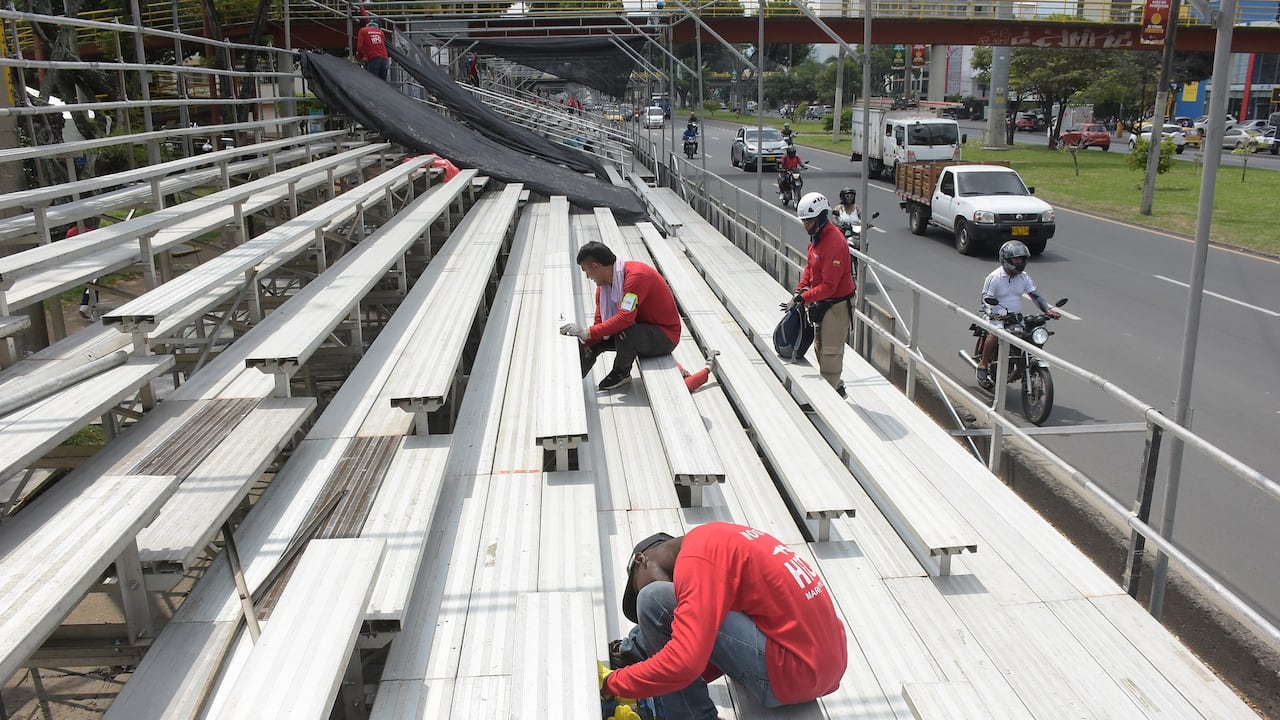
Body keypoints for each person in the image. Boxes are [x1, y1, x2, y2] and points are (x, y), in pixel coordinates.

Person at [600, 523, 848, 719]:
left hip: (791, 672)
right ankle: (637, 655)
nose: (640, 592)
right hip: (822, 668)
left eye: (636, 587)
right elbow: (713, 651)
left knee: (653, 600)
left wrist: (614, 684)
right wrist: (651, 681)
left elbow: (687, 664)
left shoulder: (696, 561)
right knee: (687, 614)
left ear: (642, 560)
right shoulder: (719, 540)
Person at [560, 241, 682, 392]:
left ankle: (622, 372)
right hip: (638, 329)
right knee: (592, 342)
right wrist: (582, 339)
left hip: (664, 336)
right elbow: (599, 325)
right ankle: (571, 379)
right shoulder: (603, 289)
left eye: (586, 271)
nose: (587, 277)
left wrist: (586, 332)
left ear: (596, 266)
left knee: (625, 333)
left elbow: (625, 318)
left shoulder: (637, 277)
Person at [789, 192, 855, 397]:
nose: (805, 225)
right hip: (821, 301)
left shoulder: (834, 244)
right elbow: (810, 266)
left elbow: (830, 286)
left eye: (808, 221)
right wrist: (801, 288)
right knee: (820, 346)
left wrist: (804, 297)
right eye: (803, 221)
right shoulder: (816, 239)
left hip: (836, 304)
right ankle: (836, 388)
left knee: (831, 352)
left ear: (820, 218)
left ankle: (831, 400)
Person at [975, 240, 1060, 388]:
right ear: (1006, 259)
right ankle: (983, 364)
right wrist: (992, 314)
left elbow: (1035, 295)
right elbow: (985, 299)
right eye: (1016, 259)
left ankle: (1022, 362)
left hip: (1015, 317)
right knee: (996, 334)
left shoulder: (1023, 277)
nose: (1019, 262)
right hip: (996, 316)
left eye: (1021, 259)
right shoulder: (994, 277)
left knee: (1030, 334)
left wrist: (1047, 310)